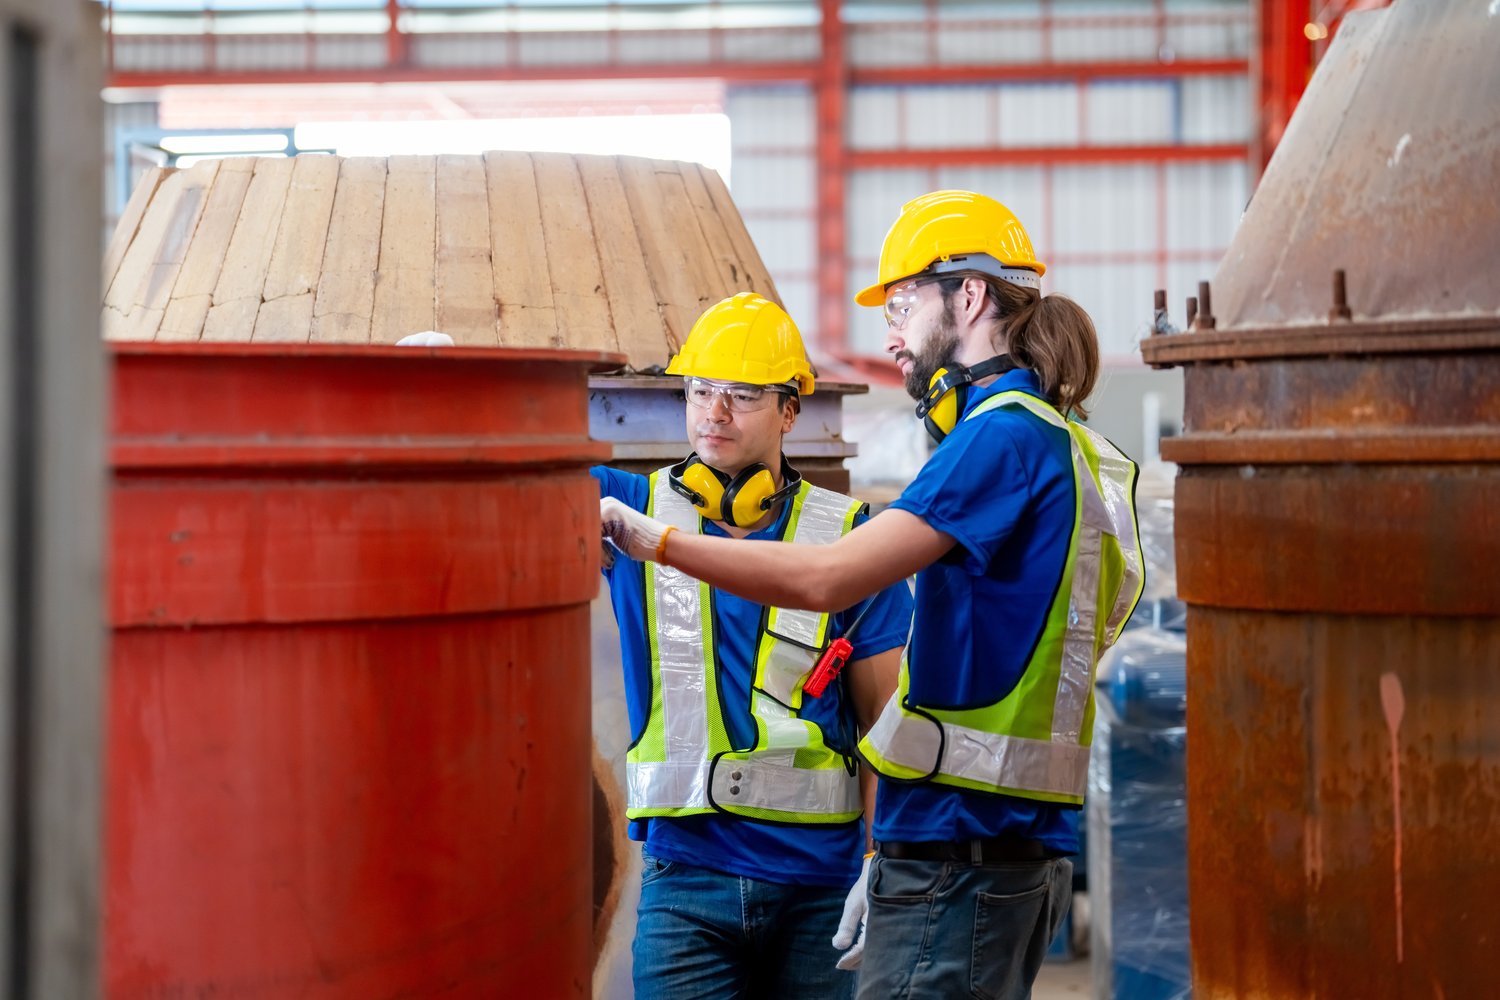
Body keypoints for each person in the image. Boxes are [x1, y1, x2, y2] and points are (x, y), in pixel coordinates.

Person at [600, 191, 1144, 999]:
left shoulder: (998, 436)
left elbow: (830, 578)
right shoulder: (1067, 441)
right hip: (1001, 845)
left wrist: (661, 544)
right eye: (700, 390)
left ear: (968, 297)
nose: (888, 333)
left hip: (958, 852)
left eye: (901, 303)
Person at [592, 291, 914, 999]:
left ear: (789, 412)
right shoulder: (628, 509)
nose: (715, 412)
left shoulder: (854, 539)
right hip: (685, 886)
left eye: (741, 395)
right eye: (701, 390)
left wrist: (880, 863)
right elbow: (514, 471)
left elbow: (885, 727)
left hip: (820, 893)